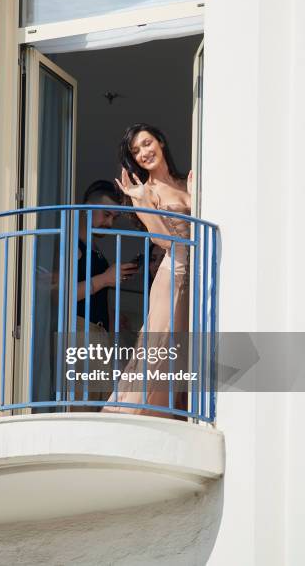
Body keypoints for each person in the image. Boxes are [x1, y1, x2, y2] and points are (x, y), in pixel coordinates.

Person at [103, 123, 192, 416]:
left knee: (188, 349)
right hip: (175, 273)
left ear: (161, 142)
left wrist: (196, 196)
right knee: (161, 343)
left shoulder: (186, 181)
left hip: (199, 274)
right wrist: (140, 201)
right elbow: (161, 240)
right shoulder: (146, 191)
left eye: (147, 143)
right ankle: (129, 415)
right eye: (136, 151)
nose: (143, 152)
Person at [76, 180, 138, 332]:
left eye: (114, 218)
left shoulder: (92, 247)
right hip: (79, 332)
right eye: (106, 214)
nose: (110, 223)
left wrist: (112, 316)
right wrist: (105, 278)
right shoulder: (71, 245)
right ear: (87, 208)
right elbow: (61, 296)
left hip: (96, 332)